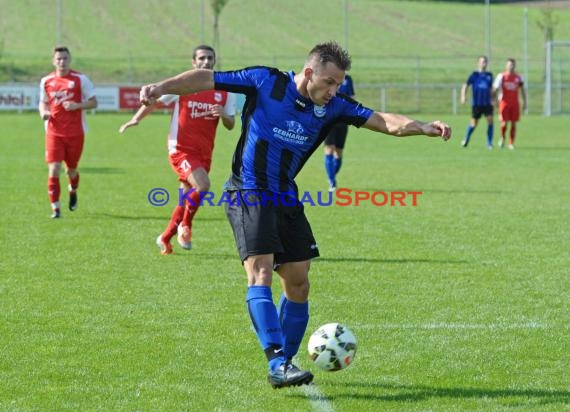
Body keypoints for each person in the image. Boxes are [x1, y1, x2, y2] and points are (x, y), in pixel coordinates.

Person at [139, 41, 451, 389]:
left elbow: (382, 120)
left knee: (299, 281)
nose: (334, 91)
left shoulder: (333, 107)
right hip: (248, 191)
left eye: (339, 84)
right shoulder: (264, 81)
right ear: (308, 73)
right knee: (260, 273)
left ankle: (285, 362)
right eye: (329, 82)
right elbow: (205, 78)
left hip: (286, 196)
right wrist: (161, 87)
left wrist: (421, 126)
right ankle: (276, 360)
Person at [119, 45, 236, 254]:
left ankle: (165, 238)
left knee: (187, 198)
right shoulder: (184, 86)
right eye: (201, 58)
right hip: (180, 148)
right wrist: (135, 119)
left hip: (204, 151)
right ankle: (186, 226)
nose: (206, 62)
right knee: (203, 185)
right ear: (193, 62)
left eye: (210, 58)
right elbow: (154, 101)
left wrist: (223, 115)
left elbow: (231, 124)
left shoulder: (224, 91)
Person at [39, 46, 98, 218]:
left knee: (71, 170)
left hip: (75, 133)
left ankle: (73, 189)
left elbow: (94, 102)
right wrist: (44, 112)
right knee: (54, 168)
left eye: (64, 58)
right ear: (53, 61)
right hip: (53, 132)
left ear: (69, 59)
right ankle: (56, 208)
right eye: (58, 59)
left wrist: (77, 106)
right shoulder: (46, 81)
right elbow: (42, 102)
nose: (61, 62)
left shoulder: (80, 79)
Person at [323, 73, 354, 190]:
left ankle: (331, 175)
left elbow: (351, 98)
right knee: (329, 150)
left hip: (343, 120)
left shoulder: (348, 79)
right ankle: (332, 181)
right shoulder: (327, 77)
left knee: (339, 152)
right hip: (329, 120)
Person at [460, 56, 494, 149]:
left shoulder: (489, 75)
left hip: (487, 103)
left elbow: (491, 89)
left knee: (490, 122)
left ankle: (489, 143)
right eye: (482, 62)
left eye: (485, 62)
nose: (484, 63)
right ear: (478, 63)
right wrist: (463, 96)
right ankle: (466, 138)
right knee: (474, 124)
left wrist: (493, 99)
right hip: (477, 104)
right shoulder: (474, 75)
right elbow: (466, 85)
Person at [493, 58, 527, 150]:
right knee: (504, 123)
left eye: (512, 64)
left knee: (513, 124)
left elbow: (522, 90)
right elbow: (495, 89)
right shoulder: (501, 76)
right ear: (506, 65)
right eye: (509, 64)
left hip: (515, 103)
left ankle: (511, 143)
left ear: (515, 66)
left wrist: (524, 102)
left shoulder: (518, 77)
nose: (511, 66)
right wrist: (495, 100)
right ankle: (502, 138)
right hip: (504, 103)